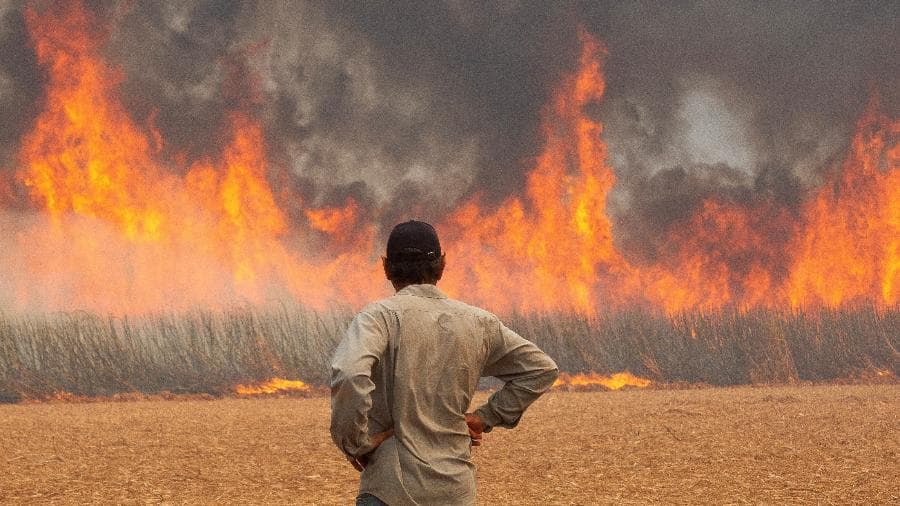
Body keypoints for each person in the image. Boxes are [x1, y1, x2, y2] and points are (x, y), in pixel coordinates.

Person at [330, 220, 559, 505]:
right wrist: (485, 417)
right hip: (455, 489)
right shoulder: (478, 322)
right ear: (442, 265)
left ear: (387, 268)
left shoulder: (379, 318)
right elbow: (541, 369)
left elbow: (350, 374)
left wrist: (355, 443)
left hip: (390, 487)